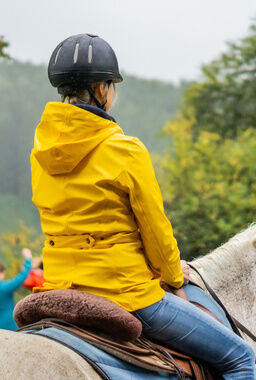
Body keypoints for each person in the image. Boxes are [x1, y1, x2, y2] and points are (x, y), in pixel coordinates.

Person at [30, 34, 255, 379]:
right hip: (127, 293)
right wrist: (173, 277)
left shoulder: (39, 154)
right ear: (102, 90)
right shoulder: (125, 150)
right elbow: (155, 228)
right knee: (241, 358)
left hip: (59, 286)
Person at [0, 248, 32, 330]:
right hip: (7, 326)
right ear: (2, 273)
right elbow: (22, 277)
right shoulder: (3, 287)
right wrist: (28, 259)